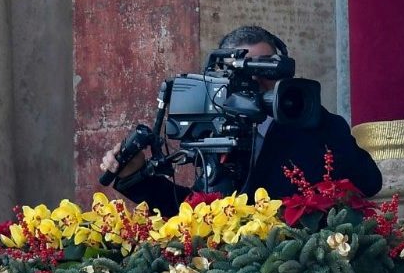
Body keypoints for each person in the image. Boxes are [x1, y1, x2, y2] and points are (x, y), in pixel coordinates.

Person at [101, 25, 382, 216]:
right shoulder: (214, 130)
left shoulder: (318, 125)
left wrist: (307, 116)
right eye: (246, 72)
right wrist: (134, 178)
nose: (257, 80)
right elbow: (195, 211)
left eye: (266, 67)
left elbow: (369, 182)